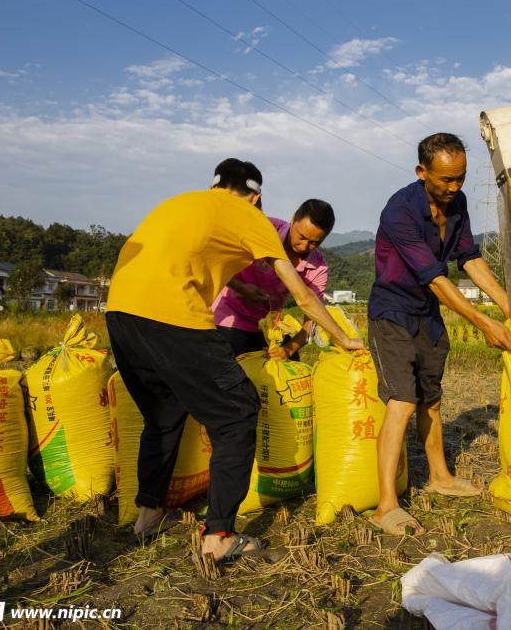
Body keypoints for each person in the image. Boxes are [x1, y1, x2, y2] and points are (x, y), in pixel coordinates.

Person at [105, 158, 364, 564]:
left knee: (164, 416)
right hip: (173, 315)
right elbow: (303, 297)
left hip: (119, 312)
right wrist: (345, 338)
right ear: (256, 198)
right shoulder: (251, 218)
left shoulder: (178, 202)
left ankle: (148, 516)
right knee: (239, 411)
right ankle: (219, 537)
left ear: (214, 186)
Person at [367, 133, 511, 536]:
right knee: (402, 400)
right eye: (445, 179)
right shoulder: (400, 210)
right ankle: (385, 506)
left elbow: (469, 257)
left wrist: (508, 307)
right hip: (392, 313)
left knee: (430, 400)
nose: (454, 187)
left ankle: (440, 478)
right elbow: (433, 276)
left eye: (460, 178)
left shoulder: (458, 203)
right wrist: (483, 322)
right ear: (422, 171)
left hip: (427, 314)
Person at [212, 199, 334, 362]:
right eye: (301, 237)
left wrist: (289, 349)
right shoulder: (264, 228)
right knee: (233, 371)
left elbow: (312, 318)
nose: (304, 246)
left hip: (269, 326)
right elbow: (217, 258)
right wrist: (240, 287)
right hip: (229, 315)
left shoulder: (318, 268)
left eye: (314, 243)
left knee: (289, 368)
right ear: (293, 219)